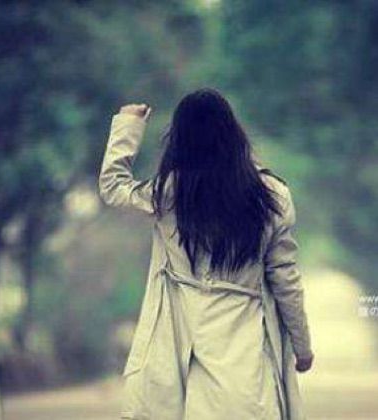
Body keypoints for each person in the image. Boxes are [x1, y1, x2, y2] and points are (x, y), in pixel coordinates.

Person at [98, 87, 314, 420]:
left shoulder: (170, 192)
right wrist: (302, 346)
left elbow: (113, 187)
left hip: (180, 338)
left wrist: (129, 124)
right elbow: (285, 278)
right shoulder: (271, 194)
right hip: (244, 346)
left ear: (180, 139)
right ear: (233, 133)